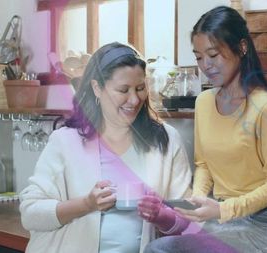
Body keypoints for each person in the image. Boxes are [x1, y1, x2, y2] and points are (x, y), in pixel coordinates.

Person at [20, 42, 192, 253]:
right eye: (123, 90)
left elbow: (188, 219)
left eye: (140, 88)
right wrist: (86, 204)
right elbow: (30, 213)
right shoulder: (66, 142)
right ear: (96, 88)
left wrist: (160, 215)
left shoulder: (166, 140)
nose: (134, 99)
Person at [145, 6, 267, 253]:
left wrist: (223, 210)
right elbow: (203, 165)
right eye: (199, 57)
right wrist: (198, 199)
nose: (206, 65)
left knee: (161, 250)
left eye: (213, 54)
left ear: (242, 48)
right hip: (220, 216)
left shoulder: (265, 108)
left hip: (261, 223)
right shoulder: (203, 103)